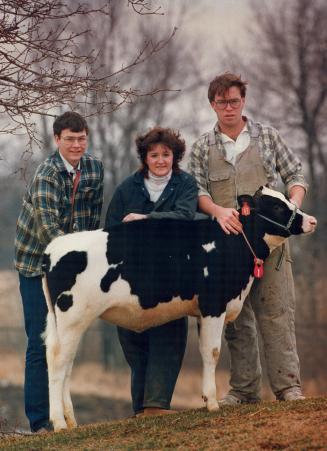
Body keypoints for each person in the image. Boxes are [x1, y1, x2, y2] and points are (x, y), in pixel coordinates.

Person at [189, 72, 307, 405]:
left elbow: (295, 175)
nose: (229, 107)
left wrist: (292, 208)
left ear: (244, 101)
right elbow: (195, 191)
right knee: (235, 321)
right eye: (222, 101)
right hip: (229, 249)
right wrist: (216, 211)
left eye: (235, 100)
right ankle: (243, 390)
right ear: (213, 104)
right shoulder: (201, 147)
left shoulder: (268, 137)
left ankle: (288, 387)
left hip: (272, 247)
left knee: (277, 312)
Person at [14, 111, 104, 432]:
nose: (77, 145)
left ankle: (63, 409)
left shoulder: (94, 169)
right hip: (36, 264)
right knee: (41, 339)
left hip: (72, 264)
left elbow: (93, 222)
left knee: (66, 339)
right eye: (70, 139)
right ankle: (40, 422)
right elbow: (49, 233)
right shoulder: (47, 175)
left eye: (81, 139)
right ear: (57, 140)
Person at [105, 126, 198, 416]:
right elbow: (110, 232)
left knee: (168, 340)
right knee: (134, 343)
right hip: (131, 279)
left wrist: (146, 219)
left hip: (172, 278)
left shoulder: (185, 185)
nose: (160, 160)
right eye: (153, 154)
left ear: (175, 156)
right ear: (145, 157)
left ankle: (156, 406)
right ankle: (141, 411)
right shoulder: (126, 189)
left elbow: (185, 217)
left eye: (166, 155)